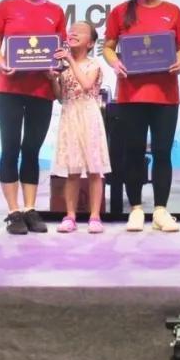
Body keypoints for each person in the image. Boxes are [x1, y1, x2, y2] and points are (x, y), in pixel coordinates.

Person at [102, 0, 180, 233]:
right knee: (134, 152)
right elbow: (108, 46)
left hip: (165, 95)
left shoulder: (172, 11)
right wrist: (115, 63)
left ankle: (161, 210)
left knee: (162, 152)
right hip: (131, 95)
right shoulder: (120, 12)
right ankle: (137, 209)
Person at [0, 0, 67, 235]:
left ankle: (30, 208)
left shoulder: (56, 11)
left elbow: (61, 50)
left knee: (32, 149)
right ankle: (13, 211)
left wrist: (57, 66)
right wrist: (2, 62)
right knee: (10, 148)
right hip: (9, 89)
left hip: (41, 91)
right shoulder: (6, 6)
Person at [53, 22, 111, 234]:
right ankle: (70, 216)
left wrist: (69, 60)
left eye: (80, 32)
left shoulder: (93, 64)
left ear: (91, 43)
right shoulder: (63, 67)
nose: (73, 33)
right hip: (70, 116)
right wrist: (53, 79)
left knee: (94, 170)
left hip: (89, 117)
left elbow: (86, 85)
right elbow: (60, 97)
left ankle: (95, 216)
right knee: (73, 171)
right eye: (72, 31)